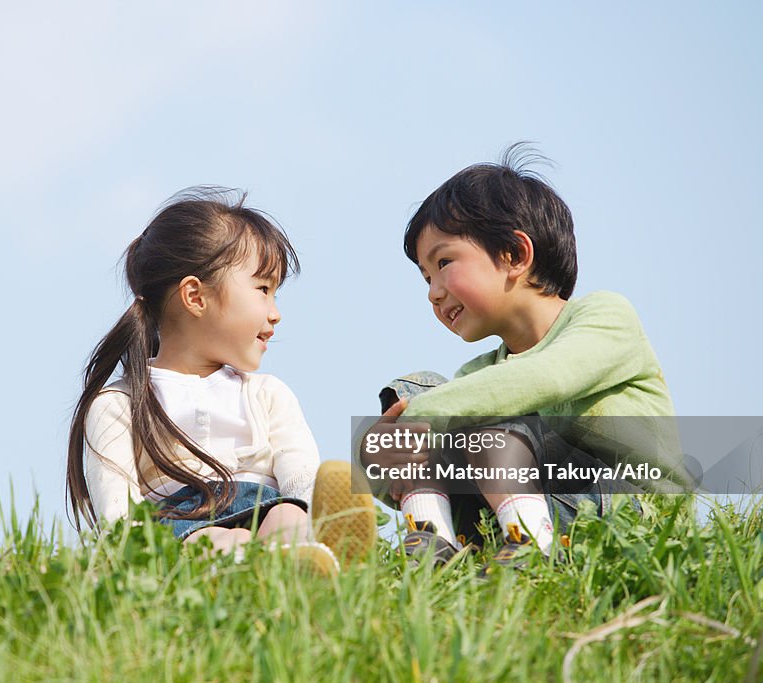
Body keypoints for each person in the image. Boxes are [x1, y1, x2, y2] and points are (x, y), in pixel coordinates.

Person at [361, 145, 689, 573]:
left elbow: (547, 377)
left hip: (631, 517)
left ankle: (530, 546)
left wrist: (421, 416)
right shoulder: (478, 375)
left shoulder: (604, 316)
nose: (433, 292)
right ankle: (433, 540)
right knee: (420, 387)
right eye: (426, 278)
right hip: (534, 510)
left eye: (444, 263)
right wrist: (377, 455)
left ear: (515, 255)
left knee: (466, 411)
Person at [66, 188, 372, 574]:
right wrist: (133, 557)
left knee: (287, 518)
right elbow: (117, 507)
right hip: (179, 525)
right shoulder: (121, 403)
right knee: (221, 541)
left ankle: (318, 551)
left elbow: (299, 470)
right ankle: (265, 570)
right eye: (263, 289)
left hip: (267, 506)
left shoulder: (267, 393)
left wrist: (311, 506)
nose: (275, 313)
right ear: (195, 296)